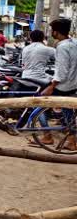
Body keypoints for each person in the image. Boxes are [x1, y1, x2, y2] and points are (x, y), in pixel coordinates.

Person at [40, 19, 77, 148]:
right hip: (73, 84)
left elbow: (61, 71)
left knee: (38, 104)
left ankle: (47, 135)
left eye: (51, 30)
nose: (51, 33)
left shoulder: (62, 47)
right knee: (67, 110)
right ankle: (72, 140)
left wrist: (51, 86)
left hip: (63, 85)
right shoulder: (74, 43)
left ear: (56, 32)